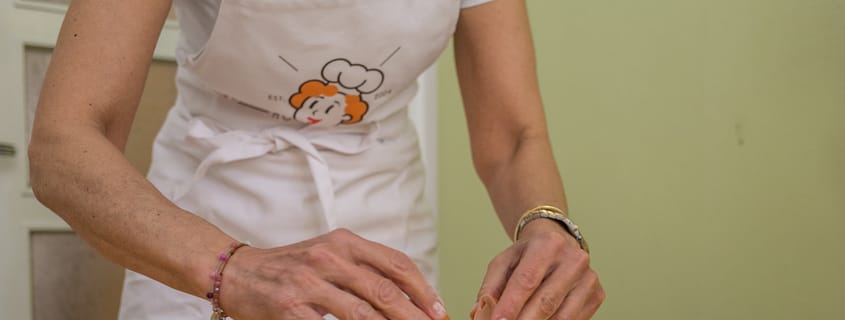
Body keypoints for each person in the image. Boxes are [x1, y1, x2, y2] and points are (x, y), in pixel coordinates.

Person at [28, 0, 605, 318]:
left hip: (384, 224)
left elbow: (511, 138)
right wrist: (231, 269)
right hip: (201, 227)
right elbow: (65, 146)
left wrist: (547, 225)